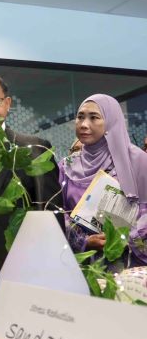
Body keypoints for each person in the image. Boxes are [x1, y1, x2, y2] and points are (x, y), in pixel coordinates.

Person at [0, 73, 62, 273]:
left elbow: (50, 213)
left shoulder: (34, 149)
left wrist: (51, 267)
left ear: (7, 104)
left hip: (20, 263)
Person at [59, 94, 147, 268]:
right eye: (80, 117)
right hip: (82, 264)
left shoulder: (137, 161)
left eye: (94, 117)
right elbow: (57, 211)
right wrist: (83, 240)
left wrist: (121, 237)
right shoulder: (66, 166)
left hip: (128, 265)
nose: (84, 124)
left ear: (111, 122)